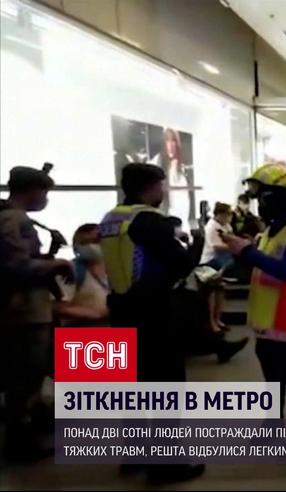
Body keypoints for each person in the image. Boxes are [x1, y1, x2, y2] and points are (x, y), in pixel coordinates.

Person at [99, 163, 204, 483]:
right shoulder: (149, 221)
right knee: (164, 386)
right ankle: (166, 466)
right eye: (161, 186)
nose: (163, 192)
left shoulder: (111, 218)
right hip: (153, 311)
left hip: (120, 308)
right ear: (150, 188)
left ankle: (134, 455)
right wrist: (198, 241)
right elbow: (182, 264)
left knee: (132, 386)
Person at [222, 163, 286, 419]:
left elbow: (285, 271)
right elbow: (260, 268)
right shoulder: (268, 233)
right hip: (265, 321)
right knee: (272, 377)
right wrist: (241, 253)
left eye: (262, 198)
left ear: (276, 199)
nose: (259, 205)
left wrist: (248, 252)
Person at [0, 166, 70, 462]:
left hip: (26, 308)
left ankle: (27, 427)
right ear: (31, 191)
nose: (45, 198)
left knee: (29, 371)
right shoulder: (13, 219)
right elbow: (15, 265)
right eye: (44, 192)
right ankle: (19, 439)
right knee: (25, 373)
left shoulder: (14, 218)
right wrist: (56, 265)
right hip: (23, 310)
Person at [55, 224, 109, 325]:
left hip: (113, 331)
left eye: (96, 241)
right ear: (75, 247)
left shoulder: (118, 268)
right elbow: (57, 307)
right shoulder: (69, 270)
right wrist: (96, 314)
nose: (91, 246)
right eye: (84, 243)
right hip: (79, 331)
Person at [199, 202, 234, 333]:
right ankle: (212, 322)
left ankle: (218, 319)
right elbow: (215, 246)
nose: (229, 217)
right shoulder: (212, 226)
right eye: (227, 215)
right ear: (219, 214)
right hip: (210, 261)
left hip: (222, 260)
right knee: (212, 293)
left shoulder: (226, 225)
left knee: (220, 291)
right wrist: (233, 247)